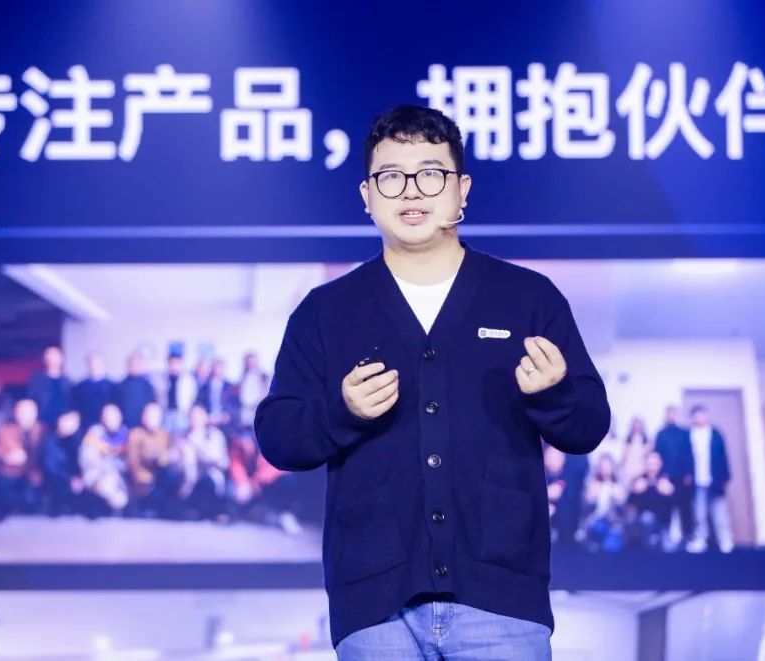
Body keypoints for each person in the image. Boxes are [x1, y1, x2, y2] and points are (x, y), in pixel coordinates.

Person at [254, 104, 610, 658]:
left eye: (431, 174)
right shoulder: (326, 311)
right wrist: (341, 411)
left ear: (461, 190)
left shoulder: (528, 297)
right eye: (391, 177)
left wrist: (554, 393)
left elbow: (588, 425)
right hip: (374, 607)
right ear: (367, 196)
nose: (411, 191)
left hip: (502, 600)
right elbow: (278, 435)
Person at [685, 404, 734, 553]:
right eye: (696, 415)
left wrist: (725, 477)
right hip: (696, 482)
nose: (699, 417)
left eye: (702, 414)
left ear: (706, 415)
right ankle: (700, 540)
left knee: (719, 513)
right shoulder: (688, 435)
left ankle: (725, 541)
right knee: (698, 514)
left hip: (715, 481)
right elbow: (684, 458)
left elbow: (723, 456)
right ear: (692, 417)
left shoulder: (716, 434)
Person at [0, 398, 44, 521]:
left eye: (30, 412)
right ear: (16, 413)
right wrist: (6, 457)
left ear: (36, 413)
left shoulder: (42, 431)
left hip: (33, 474)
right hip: (10, 472)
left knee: (30, 503)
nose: (26, 416)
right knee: (2, 487)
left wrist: (39, 471)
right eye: (22, 412)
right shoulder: (5, 431)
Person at [654, 405, 693, 549]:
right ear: (666, 415)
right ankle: (667, 539)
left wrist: (689, 473)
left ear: (677, 415)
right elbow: (657, 455)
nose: (671, 416)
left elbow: (689, 454)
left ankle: (687, 538)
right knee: (666, 509)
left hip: (683, 479)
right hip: (666, 478)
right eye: (669, 414)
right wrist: (660, 476)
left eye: (673, 413)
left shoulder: (684, 433)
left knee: (685, 509)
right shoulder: (661, 434)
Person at [626, 451, 676, 550]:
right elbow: (629, 503)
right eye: (649, 464)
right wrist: (634, 491)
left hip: (664, 522)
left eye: (655, 464)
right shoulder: (638, 480)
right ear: (645, 464)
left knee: (668, 548)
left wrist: (671, 493)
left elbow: (677, 504)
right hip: (642, 523)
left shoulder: (667, 480)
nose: (652, 468)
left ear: (660, 464)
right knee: (647, 518)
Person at [26, 346, 73, 427]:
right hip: (41, 424)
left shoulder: (68, 382)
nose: (52, 359)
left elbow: (71, 405)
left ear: (62, 359)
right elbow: (31, 401)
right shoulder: (37, 380)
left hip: (63, 425)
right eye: (49, 356)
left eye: (55, 356)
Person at [116, 351, 157, 432]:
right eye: (132, 363)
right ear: (127, 365)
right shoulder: (119, 386)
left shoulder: (148, 386)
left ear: (141, 365)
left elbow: (152, 407)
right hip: (124, 428)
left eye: (137, 363)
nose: (134, 366)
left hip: (144, 428)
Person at [73, 351, 117, 427]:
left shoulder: (112, 386)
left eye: (96, 363)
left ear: (101, 363)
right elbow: (76, 409)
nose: (94, 365)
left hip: (106, 428)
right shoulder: (80, 386)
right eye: (91, 363)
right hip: (86, 426)